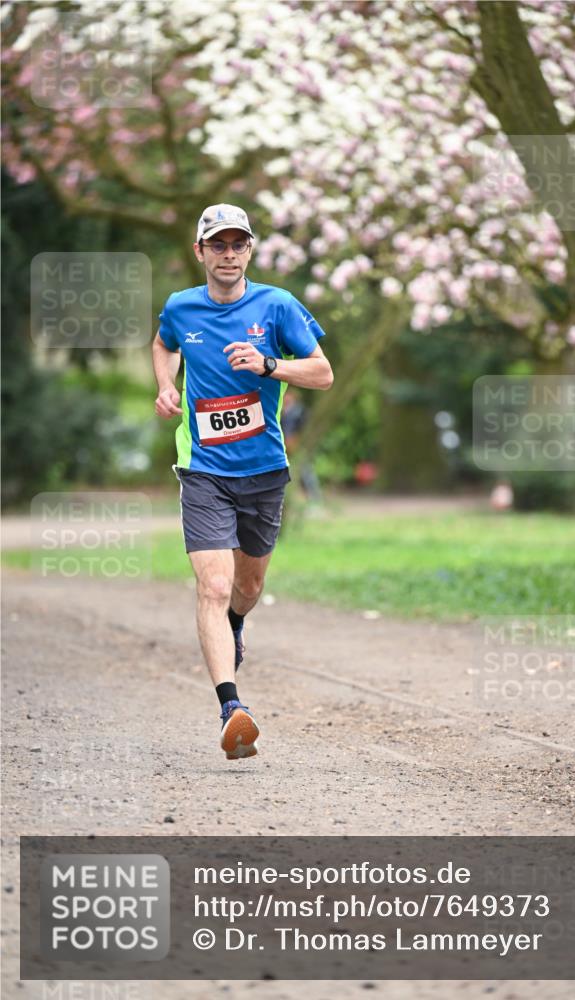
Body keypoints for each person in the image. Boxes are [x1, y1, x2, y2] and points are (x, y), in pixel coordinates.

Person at [152, 204, 333, 760]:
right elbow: (164, 344)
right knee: (213, 583)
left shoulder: (277, 305)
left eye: (238, 244)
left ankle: (234, 623)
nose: (228, 254)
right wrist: (166, 385)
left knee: (247, 589)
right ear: (200, 251)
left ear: (250, 250)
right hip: (203, 469)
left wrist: (269, 365)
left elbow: (323, 373)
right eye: (218, 244)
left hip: (264, 471)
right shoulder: (180, 307)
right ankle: (231, 708)